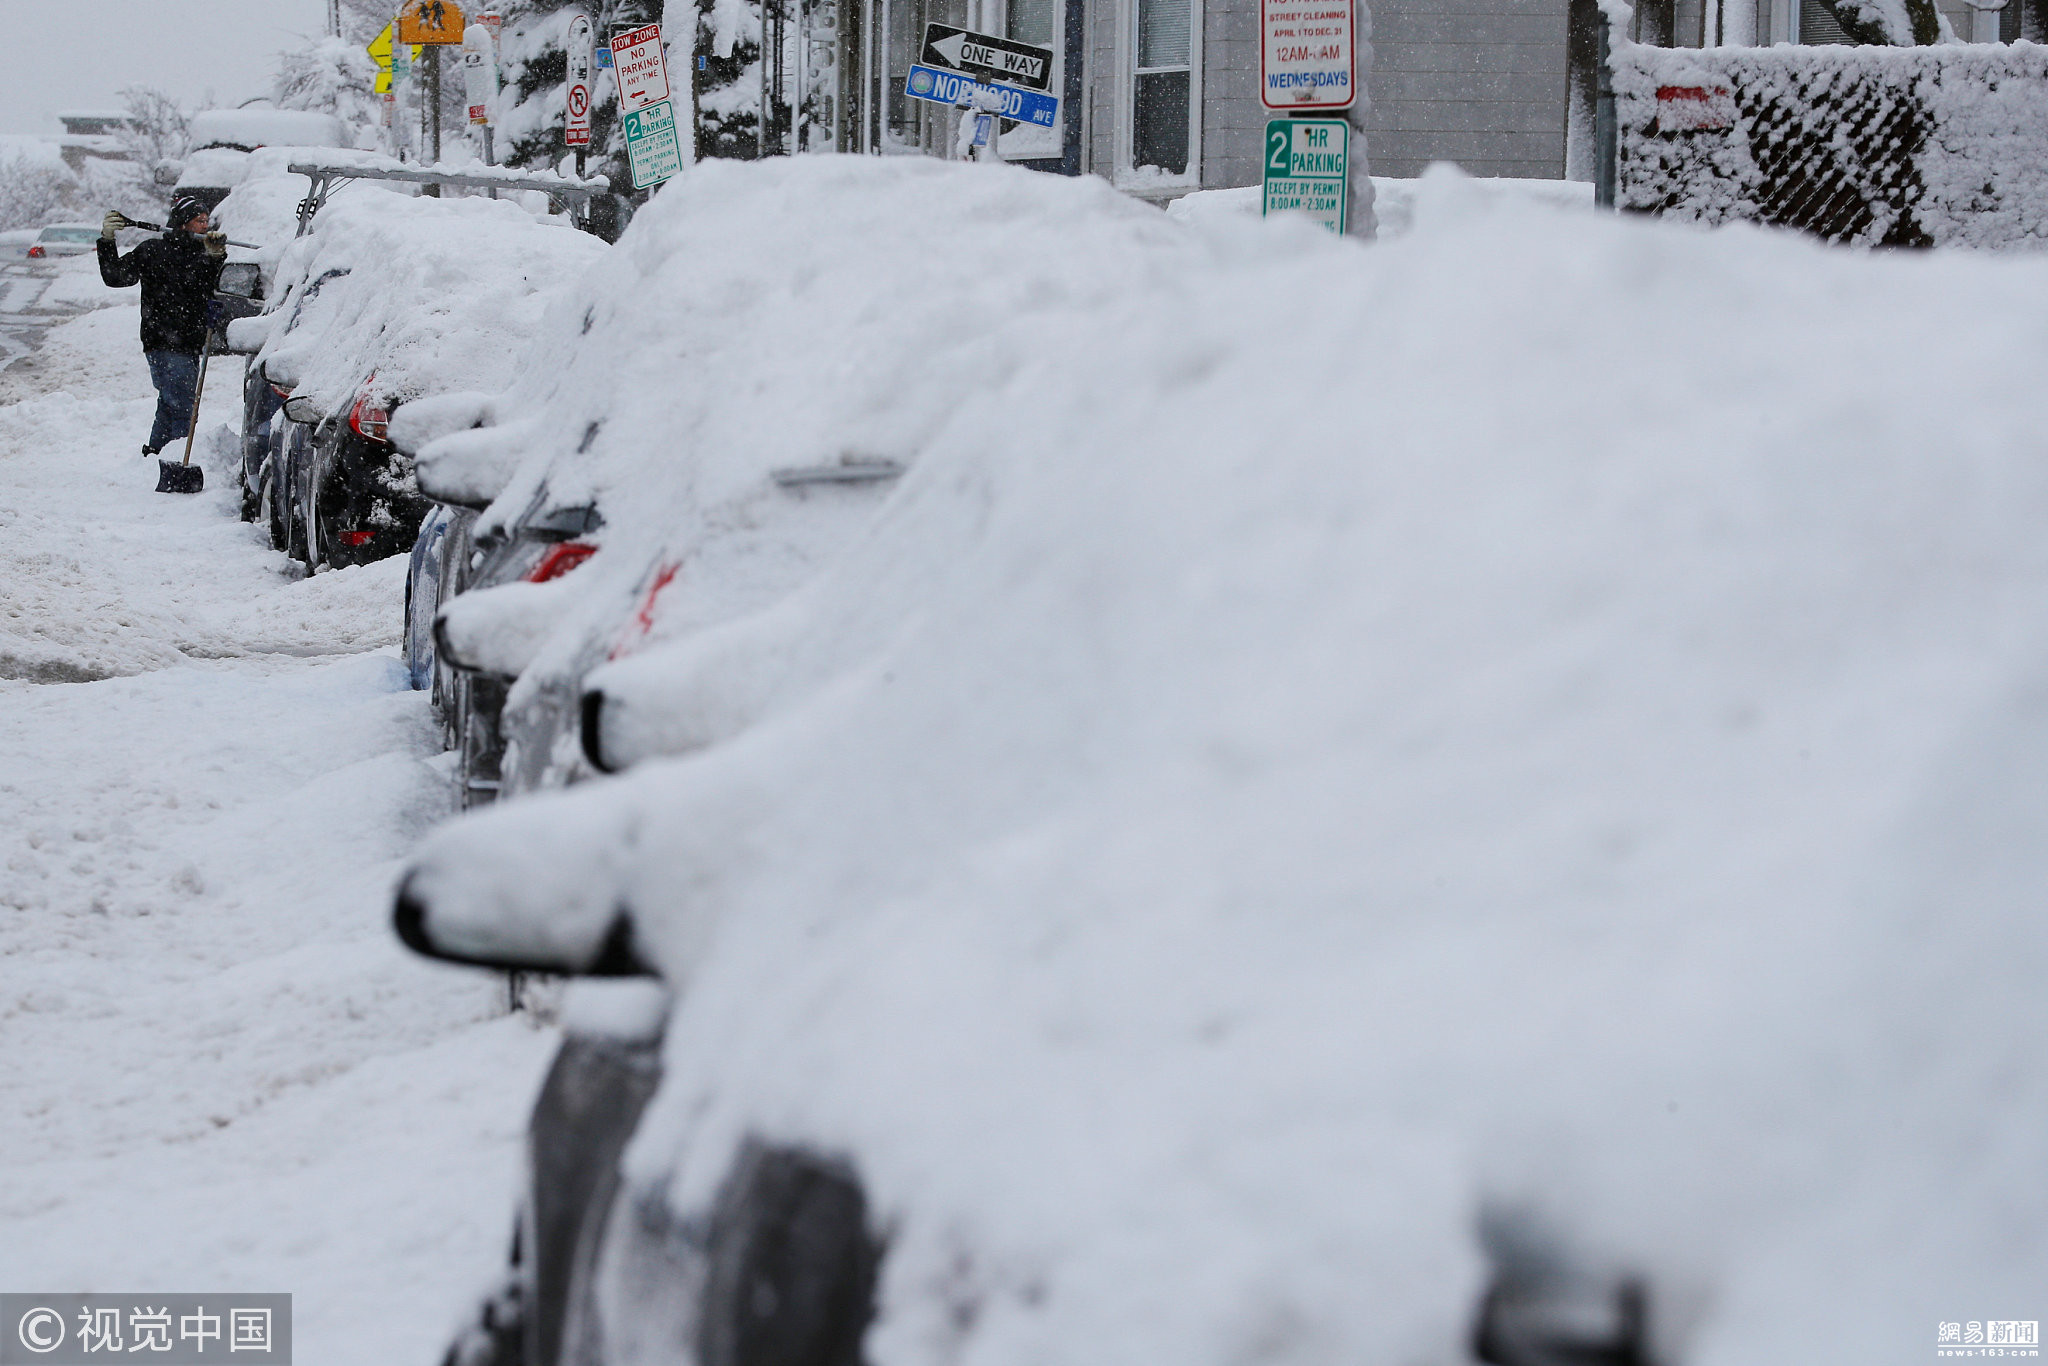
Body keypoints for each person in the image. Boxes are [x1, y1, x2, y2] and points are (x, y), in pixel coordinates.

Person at [97, 195, 227, 457]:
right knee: (183, 409)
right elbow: (115, 277)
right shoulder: (153, 251)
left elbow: (210, 290)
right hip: (164, 343)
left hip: (189, 345)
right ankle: (178, 460)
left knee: (170, 405)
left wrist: (216, 258)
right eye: (199, 221)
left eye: (207, 221)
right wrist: (107, 241)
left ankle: (154, 455)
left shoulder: (203, 254)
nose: (205, 226)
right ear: (182, 224)